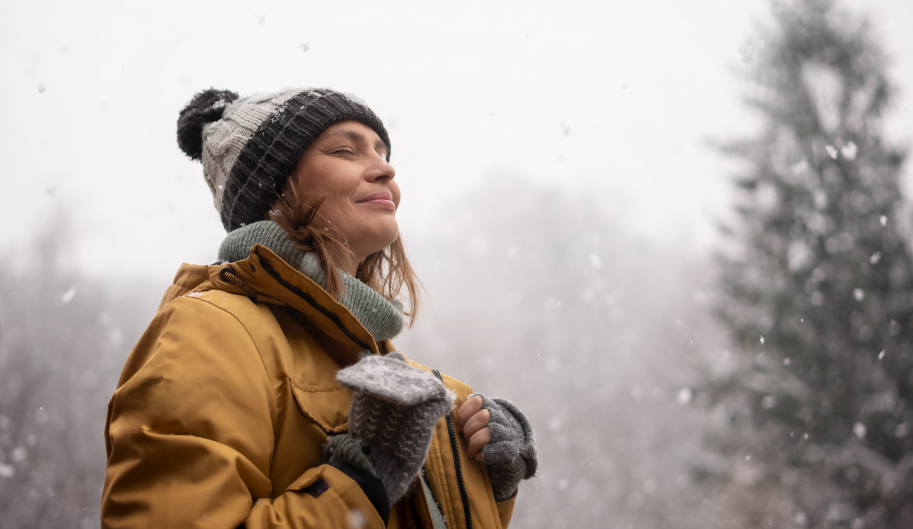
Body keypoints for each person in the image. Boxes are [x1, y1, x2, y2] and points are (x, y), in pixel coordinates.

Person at [101, 87, 537, 529]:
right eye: (346, 150)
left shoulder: (394, 370)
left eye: (383, 152)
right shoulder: (208, 331)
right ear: (274, 189)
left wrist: (484, 480)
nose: (385, 168)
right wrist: (362, 480)